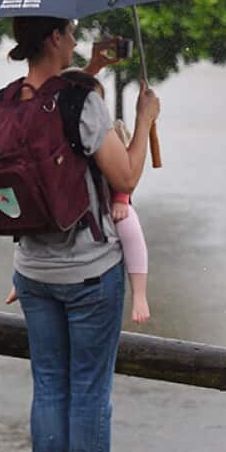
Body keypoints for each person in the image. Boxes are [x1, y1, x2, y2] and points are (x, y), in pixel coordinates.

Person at [0, 17, 160, 452]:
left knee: (49, 388)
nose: (75, 40)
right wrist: (145, 119)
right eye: (70, 33)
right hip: (89, 272)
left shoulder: (10, 101)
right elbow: (125, 176)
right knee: (90, 393)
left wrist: (92, 67)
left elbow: (56, 122)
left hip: (32, 270)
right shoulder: (82, 102)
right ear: (54, 38)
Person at [59, 68, 151, 324]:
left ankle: (140, 293)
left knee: (129, 224)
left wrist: (121, 200)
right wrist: (145, 118)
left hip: (109, 199)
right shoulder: (61, 133)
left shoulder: (111, 133)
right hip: (80, 211)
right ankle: (19, 279)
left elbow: (123, 178)